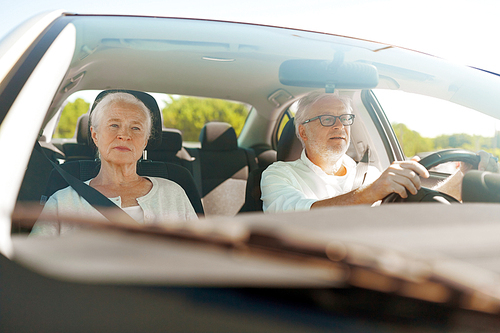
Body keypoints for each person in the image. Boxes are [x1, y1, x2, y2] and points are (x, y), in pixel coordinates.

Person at [261, 91, 499, 213]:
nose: (339, 126)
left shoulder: (368, 174)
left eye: (345, 118)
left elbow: (413, 211)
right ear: (303, 133)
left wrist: (461, 179)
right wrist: (373, 192)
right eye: (326, 119)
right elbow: (294, 216)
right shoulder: (279, 174)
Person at [32, 92, 197, 236]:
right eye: (114, 125)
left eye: (136, 128)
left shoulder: (174, 194)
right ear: (95, 135)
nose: (124, 135)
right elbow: (34, 261)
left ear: (145, 141)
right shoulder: (63, 202)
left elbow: (199, 256)